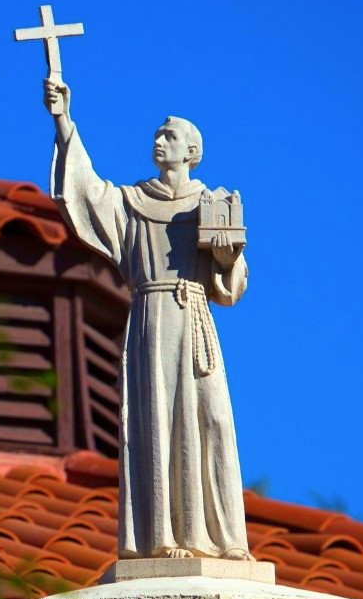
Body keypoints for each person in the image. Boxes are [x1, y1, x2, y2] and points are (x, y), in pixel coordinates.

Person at [45, 78, 253, 560]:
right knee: (157, 420)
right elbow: (84, 191)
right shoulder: (133, 203)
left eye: (170, 136)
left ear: (192, 151)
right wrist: (63, 121)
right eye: (158, 135)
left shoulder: (212, 204)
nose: (159, 141)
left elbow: (233, 285)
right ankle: (166, 537)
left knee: (212, 421)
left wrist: (226, 259)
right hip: (152, 321)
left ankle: (220, 540)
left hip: (196, 317)